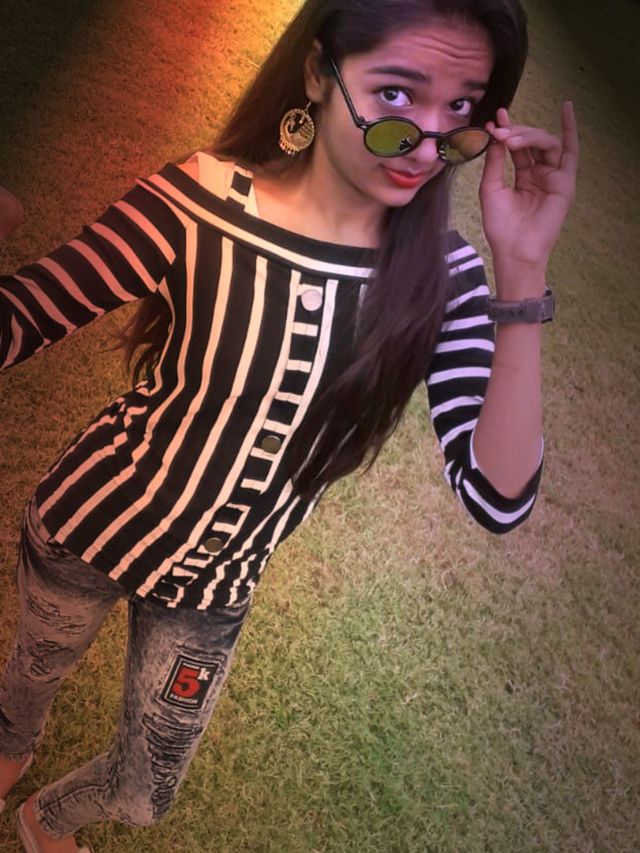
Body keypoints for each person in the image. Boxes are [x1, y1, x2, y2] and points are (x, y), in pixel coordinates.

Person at [0, 0, 578, 849]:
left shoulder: (445, 273)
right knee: (30, 674)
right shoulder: (199, 199)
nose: (426, 145)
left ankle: (43, 818)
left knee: (148, 787)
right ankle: (12, 745)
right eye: (396, 95)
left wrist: (522, 268)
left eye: (460, 108)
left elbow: (496, 495)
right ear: (317, 71)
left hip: (215, 587)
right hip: (87, 525)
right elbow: (26, 318)